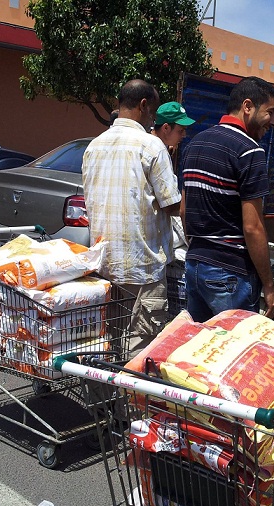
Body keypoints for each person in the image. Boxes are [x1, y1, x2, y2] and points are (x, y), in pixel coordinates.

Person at [82, 79, 181, 358]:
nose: (153, 117)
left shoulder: (94, 146)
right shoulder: (151, 146)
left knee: (110, 342)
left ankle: (106, 401)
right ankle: (128, 402)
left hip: (105, 264)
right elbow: (171, 203)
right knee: (139, 348)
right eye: (153, 111)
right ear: (143, 105)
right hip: (143, 267)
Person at [180, 76, 274, 322]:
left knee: (200, 350)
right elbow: (252, 227)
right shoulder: (250, 151)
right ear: (247, 107)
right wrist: (269, 286)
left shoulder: (194, 144)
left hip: (194, 266)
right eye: (271, 112)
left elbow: (184, 210)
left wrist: (200, 250)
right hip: (230, 275)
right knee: (233, 353)